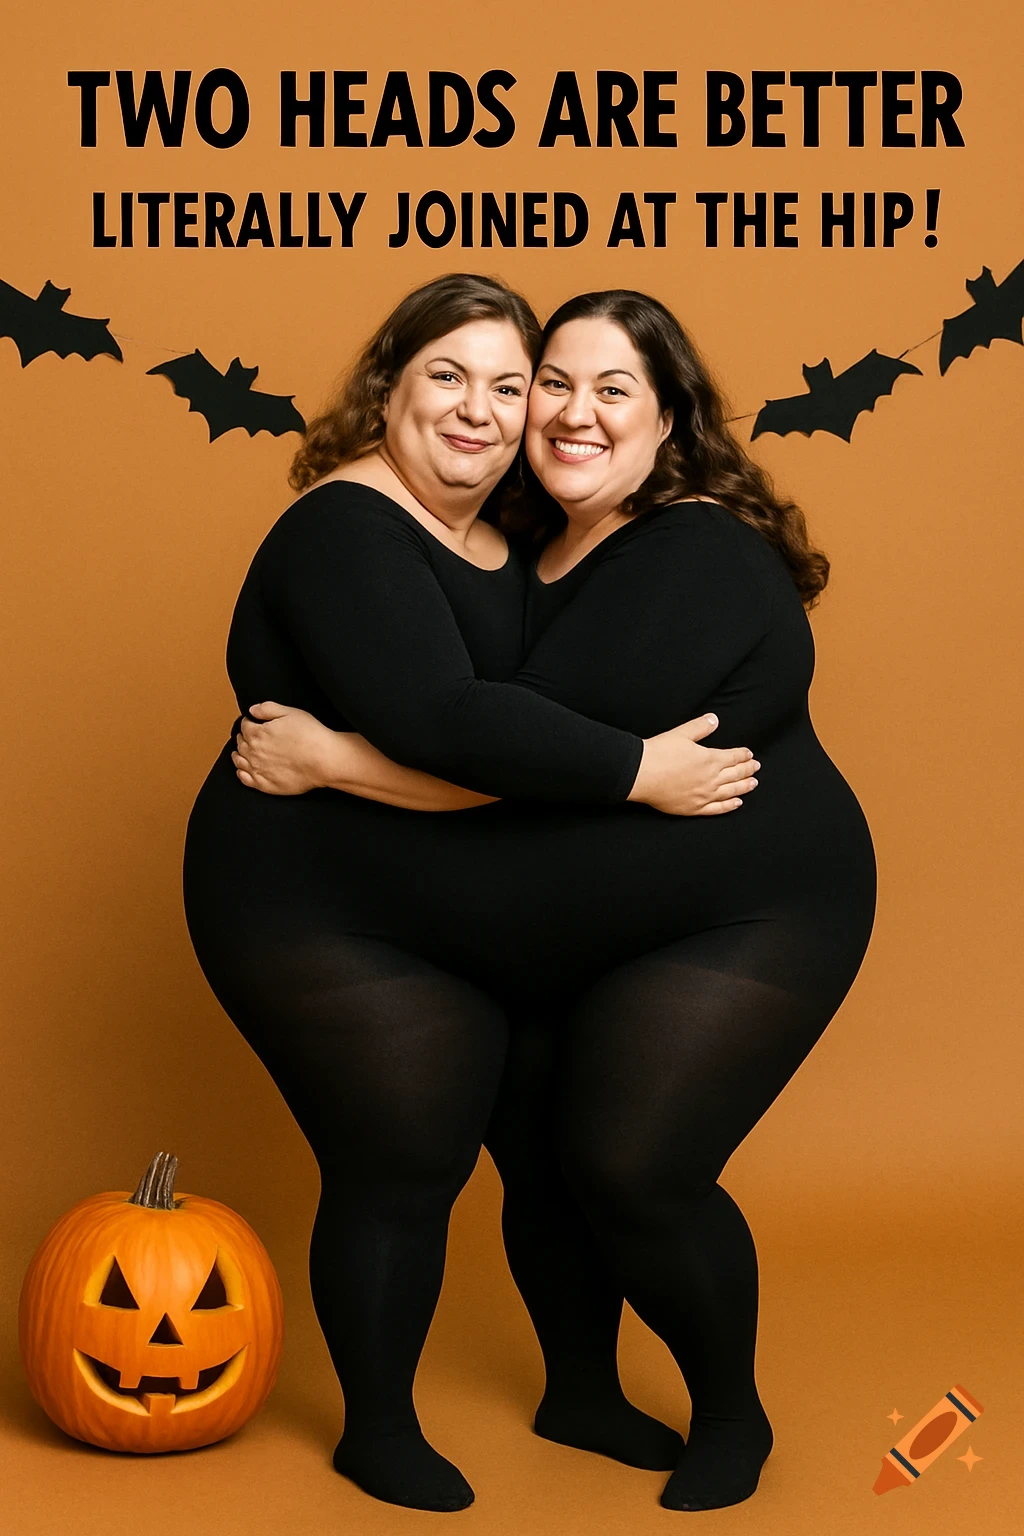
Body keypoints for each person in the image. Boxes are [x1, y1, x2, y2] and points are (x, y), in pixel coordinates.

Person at [232, 288, 877, 1513]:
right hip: (376, 916)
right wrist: (628, 776)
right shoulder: (416, 532)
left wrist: (338, 758)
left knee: (609, 1162)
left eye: (590, 388)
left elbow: (511, 746)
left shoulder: (660, 548)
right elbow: (481, 738)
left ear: (671, 419)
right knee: (440, 1160)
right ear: (391, 387)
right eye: (463, 379)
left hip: (705, 920)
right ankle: (427, 1418)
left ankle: (709, 1411)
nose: (545, 412)